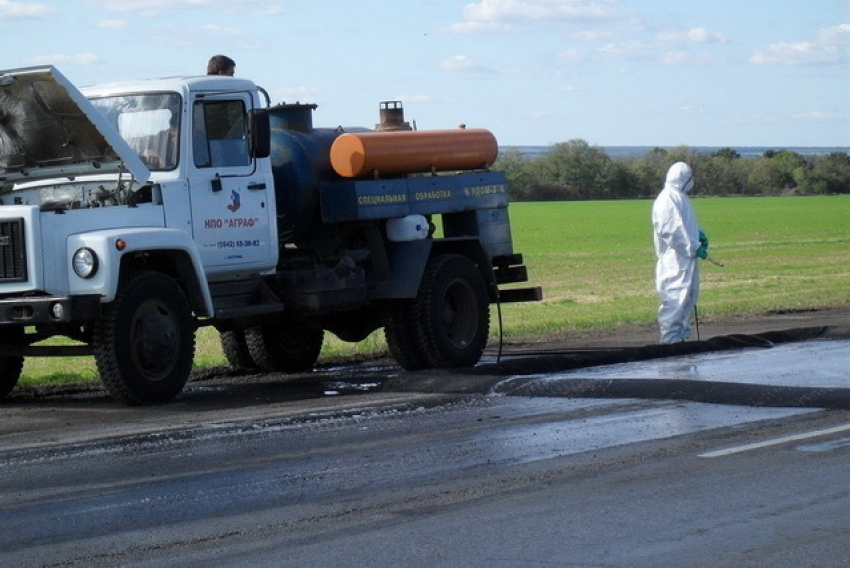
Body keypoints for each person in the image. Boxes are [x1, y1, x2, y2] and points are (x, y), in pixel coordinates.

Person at [651, 161, 709, 344]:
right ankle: (670, 346)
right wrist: (692, 246)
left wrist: (698, 234)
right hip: (674, 262)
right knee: (675, 302)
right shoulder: (667, 199)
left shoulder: (679, 196)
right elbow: (673, 230)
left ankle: (681, 342)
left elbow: (685, 223)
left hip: (685, 261)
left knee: (686, 300)